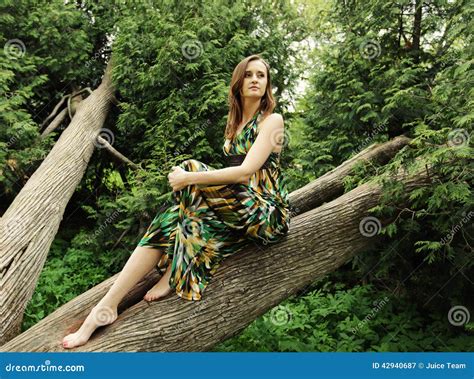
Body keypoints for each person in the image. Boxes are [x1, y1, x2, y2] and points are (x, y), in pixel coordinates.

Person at [61, 54, 291, 349]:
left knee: (192, 169)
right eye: (249, 75)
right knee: (167, 220)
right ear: (238, 82)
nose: (256, 80)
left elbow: (245, 173)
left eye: (261, 75)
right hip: (240, 208)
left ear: (268, 83)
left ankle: (175, 270)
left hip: (267, 213)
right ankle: (103, 309)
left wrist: (187, 178)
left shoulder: (272, 120)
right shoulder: (234, 123)